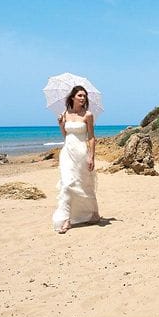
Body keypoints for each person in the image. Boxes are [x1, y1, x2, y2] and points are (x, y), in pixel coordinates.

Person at [52, 85, 99, 233]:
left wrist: (91, 156)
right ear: (72, 97)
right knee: (67, 185)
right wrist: (61, 124)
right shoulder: (65, 113)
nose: (83, 98)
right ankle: (66, 220)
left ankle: (93, 213)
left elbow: (91, 137)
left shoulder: (88, 115)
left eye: (84, 96)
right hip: (67, 153)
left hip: (81, 153)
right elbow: (65, 135)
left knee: (83, 184)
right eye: (80, 95)